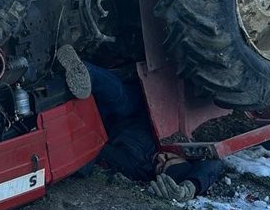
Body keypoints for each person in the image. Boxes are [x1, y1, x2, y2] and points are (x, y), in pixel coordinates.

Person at [86, 63, 224, 201]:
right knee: (121, 100)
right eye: (169, 159)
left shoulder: (136, 168)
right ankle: (84, 71)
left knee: (115, 106)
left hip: (105, 119)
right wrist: (192, 186)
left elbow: (99, 150)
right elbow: (214, 164)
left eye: (160, 167)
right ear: (183, 158)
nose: (161, 158)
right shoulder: (178, 142)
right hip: (138, 102)